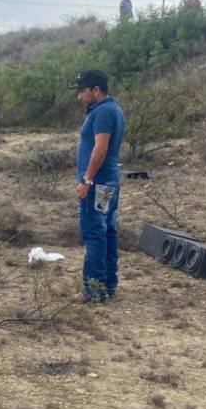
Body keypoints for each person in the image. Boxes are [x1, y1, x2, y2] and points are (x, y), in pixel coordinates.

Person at [70, 69, 125, 303]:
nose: (79, 96)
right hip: (108, 182)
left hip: (98, 183)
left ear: (96, 90)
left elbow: (100, 148)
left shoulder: (103, 112)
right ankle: (108, 285)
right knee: (106, 231)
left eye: (82, 91)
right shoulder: (111, 109)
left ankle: (93, 289)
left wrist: (87, 179)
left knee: (94, 233)